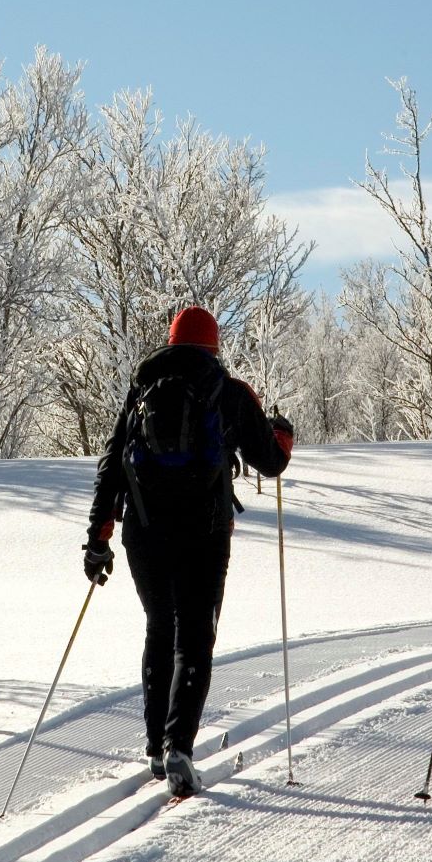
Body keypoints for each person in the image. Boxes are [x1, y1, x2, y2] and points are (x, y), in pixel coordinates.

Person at [84, 305, 294, 798]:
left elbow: (111, 462)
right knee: (195, 636)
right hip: (203, 531)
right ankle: (180, 745)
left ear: (172, 342)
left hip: (144, 530)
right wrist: (281, 433)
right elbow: (271, 461)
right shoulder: (228, 390)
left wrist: (99, 536)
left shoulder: (141, 389)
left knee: (160, 628)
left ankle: (156, 746)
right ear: (213, 345)